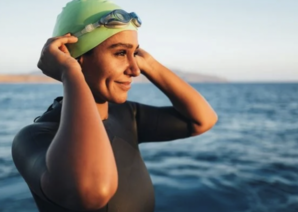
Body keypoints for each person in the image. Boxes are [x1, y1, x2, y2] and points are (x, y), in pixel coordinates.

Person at [12, 0, 218, 211]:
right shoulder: (33, 139)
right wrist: (69, 73)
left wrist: (150, 64)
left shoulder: (127, 114)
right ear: (75, 57)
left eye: (135, 54)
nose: (135, 70)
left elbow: (202, 120)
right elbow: (93, 191)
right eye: (120, 53)